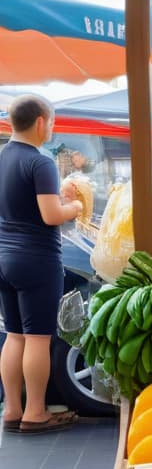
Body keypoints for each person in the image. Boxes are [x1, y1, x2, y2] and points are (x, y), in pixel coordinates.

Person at [0, 94, 82, 434]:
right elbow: (51, 215)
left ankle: (12, 409)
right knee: (36, 338)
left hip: (4, 257)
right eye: (51, 122)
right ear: (39, 123)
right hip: (37, 259)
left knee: (14, 335)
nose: (52, 128)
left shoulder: (2, 156)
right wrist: (74, 206)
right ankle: (35, 412)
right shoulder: (41, 162)